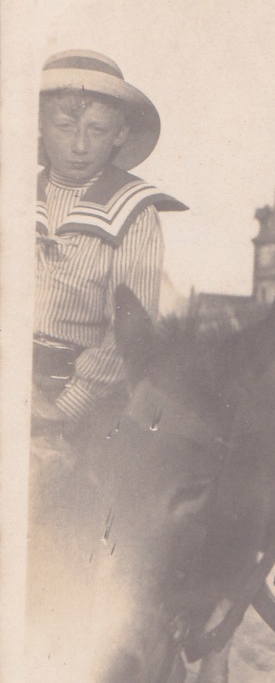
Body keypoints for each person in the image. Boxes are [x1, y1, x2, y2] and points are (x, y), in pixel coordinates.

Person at [33, 49, 187, 443]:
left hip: (77, 396)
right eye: (65, 126)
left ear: (120, 134)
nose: (80, 145)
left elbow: (127, 331)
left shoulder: (134, 212)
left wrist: (63, 408)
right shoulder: (14, 194)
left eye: (97, 130)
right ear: (39, 124)